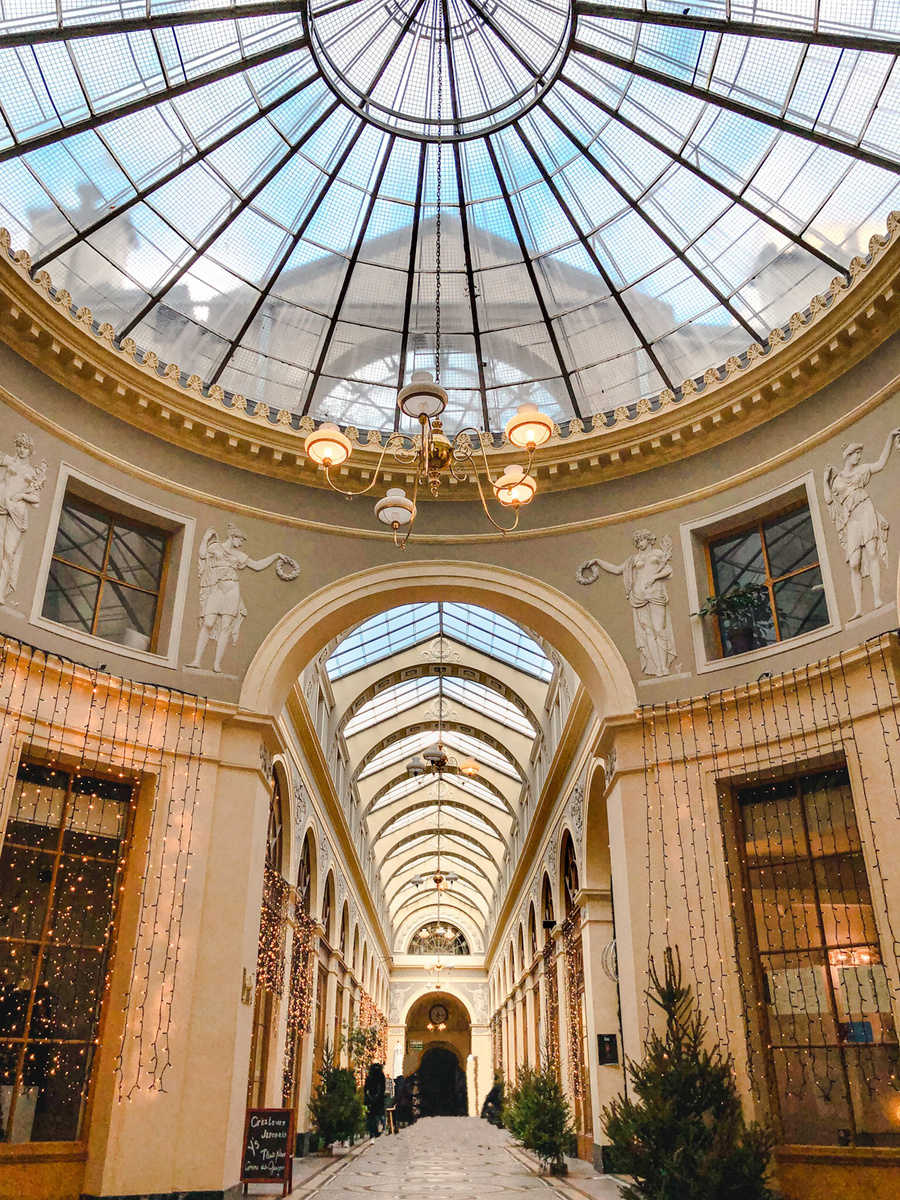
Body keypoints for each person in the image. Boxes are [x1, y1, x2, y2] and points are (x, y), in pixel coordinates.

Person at [186, 524, 289, 673]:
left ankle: (217, 664)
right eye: (240, 540)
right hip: (217, 589)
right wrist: (205, 538)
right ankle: (196, 660)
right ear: (232, 536)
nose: (241, 543)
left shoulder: (239, 555)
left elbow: (257, 565)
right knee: (208, 623)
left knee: (226, 626)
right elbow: (202, 554)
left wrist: (276, 555)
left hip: (232, 590)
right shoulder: (215, 547)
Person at [578, 530, 676, 677]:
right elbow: (617, 569)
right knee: (648, 632)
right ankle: (659, 667)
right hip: (638, 597)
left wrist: (654, 577)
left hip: (656, 594)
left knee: (659, 630)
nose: (639, 543)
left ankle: (665, 664)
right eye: (637, 541)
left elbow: (668, 569)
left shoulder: (658, 553)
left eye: (642, 539)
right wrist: (598, 561)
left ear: (649, 540)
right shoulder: (633, 559)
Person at [824, 431, 900, 617]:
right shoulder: (838, 479)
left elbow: (881, 464)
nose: (859, 456)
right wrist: (825, 481)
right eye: (856, 453)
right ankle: (858, 609)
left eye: (859, 452)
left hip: (865, 510)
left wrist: (889, 437)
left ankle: (876, 598)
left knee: (872, 552)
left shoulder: (862, 470)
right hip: (851, 519)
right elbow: (828, 499)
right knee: (854, 563)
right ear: (848, 456)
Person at [0, 433, 47, 606]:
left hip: (17, 513)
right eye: (19, 446)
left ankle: (1, 590)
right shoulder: (8, 461)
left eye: (25, 447)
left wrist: (20, 495)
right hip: (1, 506)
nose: (21, 450)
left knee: (9, 551)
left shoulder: (32, 473)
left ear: (30, 451)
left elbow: (36, 500)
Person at [363, 1062, 386, 1138]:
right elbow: (382, 1088)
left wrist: (367, 1096)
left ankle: (372, 1131)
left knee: (371, 1116)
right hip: (378, 1099)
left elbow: (366, 1088)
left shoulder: (370, 1076)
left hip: (371, 1098)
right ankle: (379, 1129)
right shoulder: (381, 1076)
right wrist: (379, 1096)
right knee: (378, 1115)